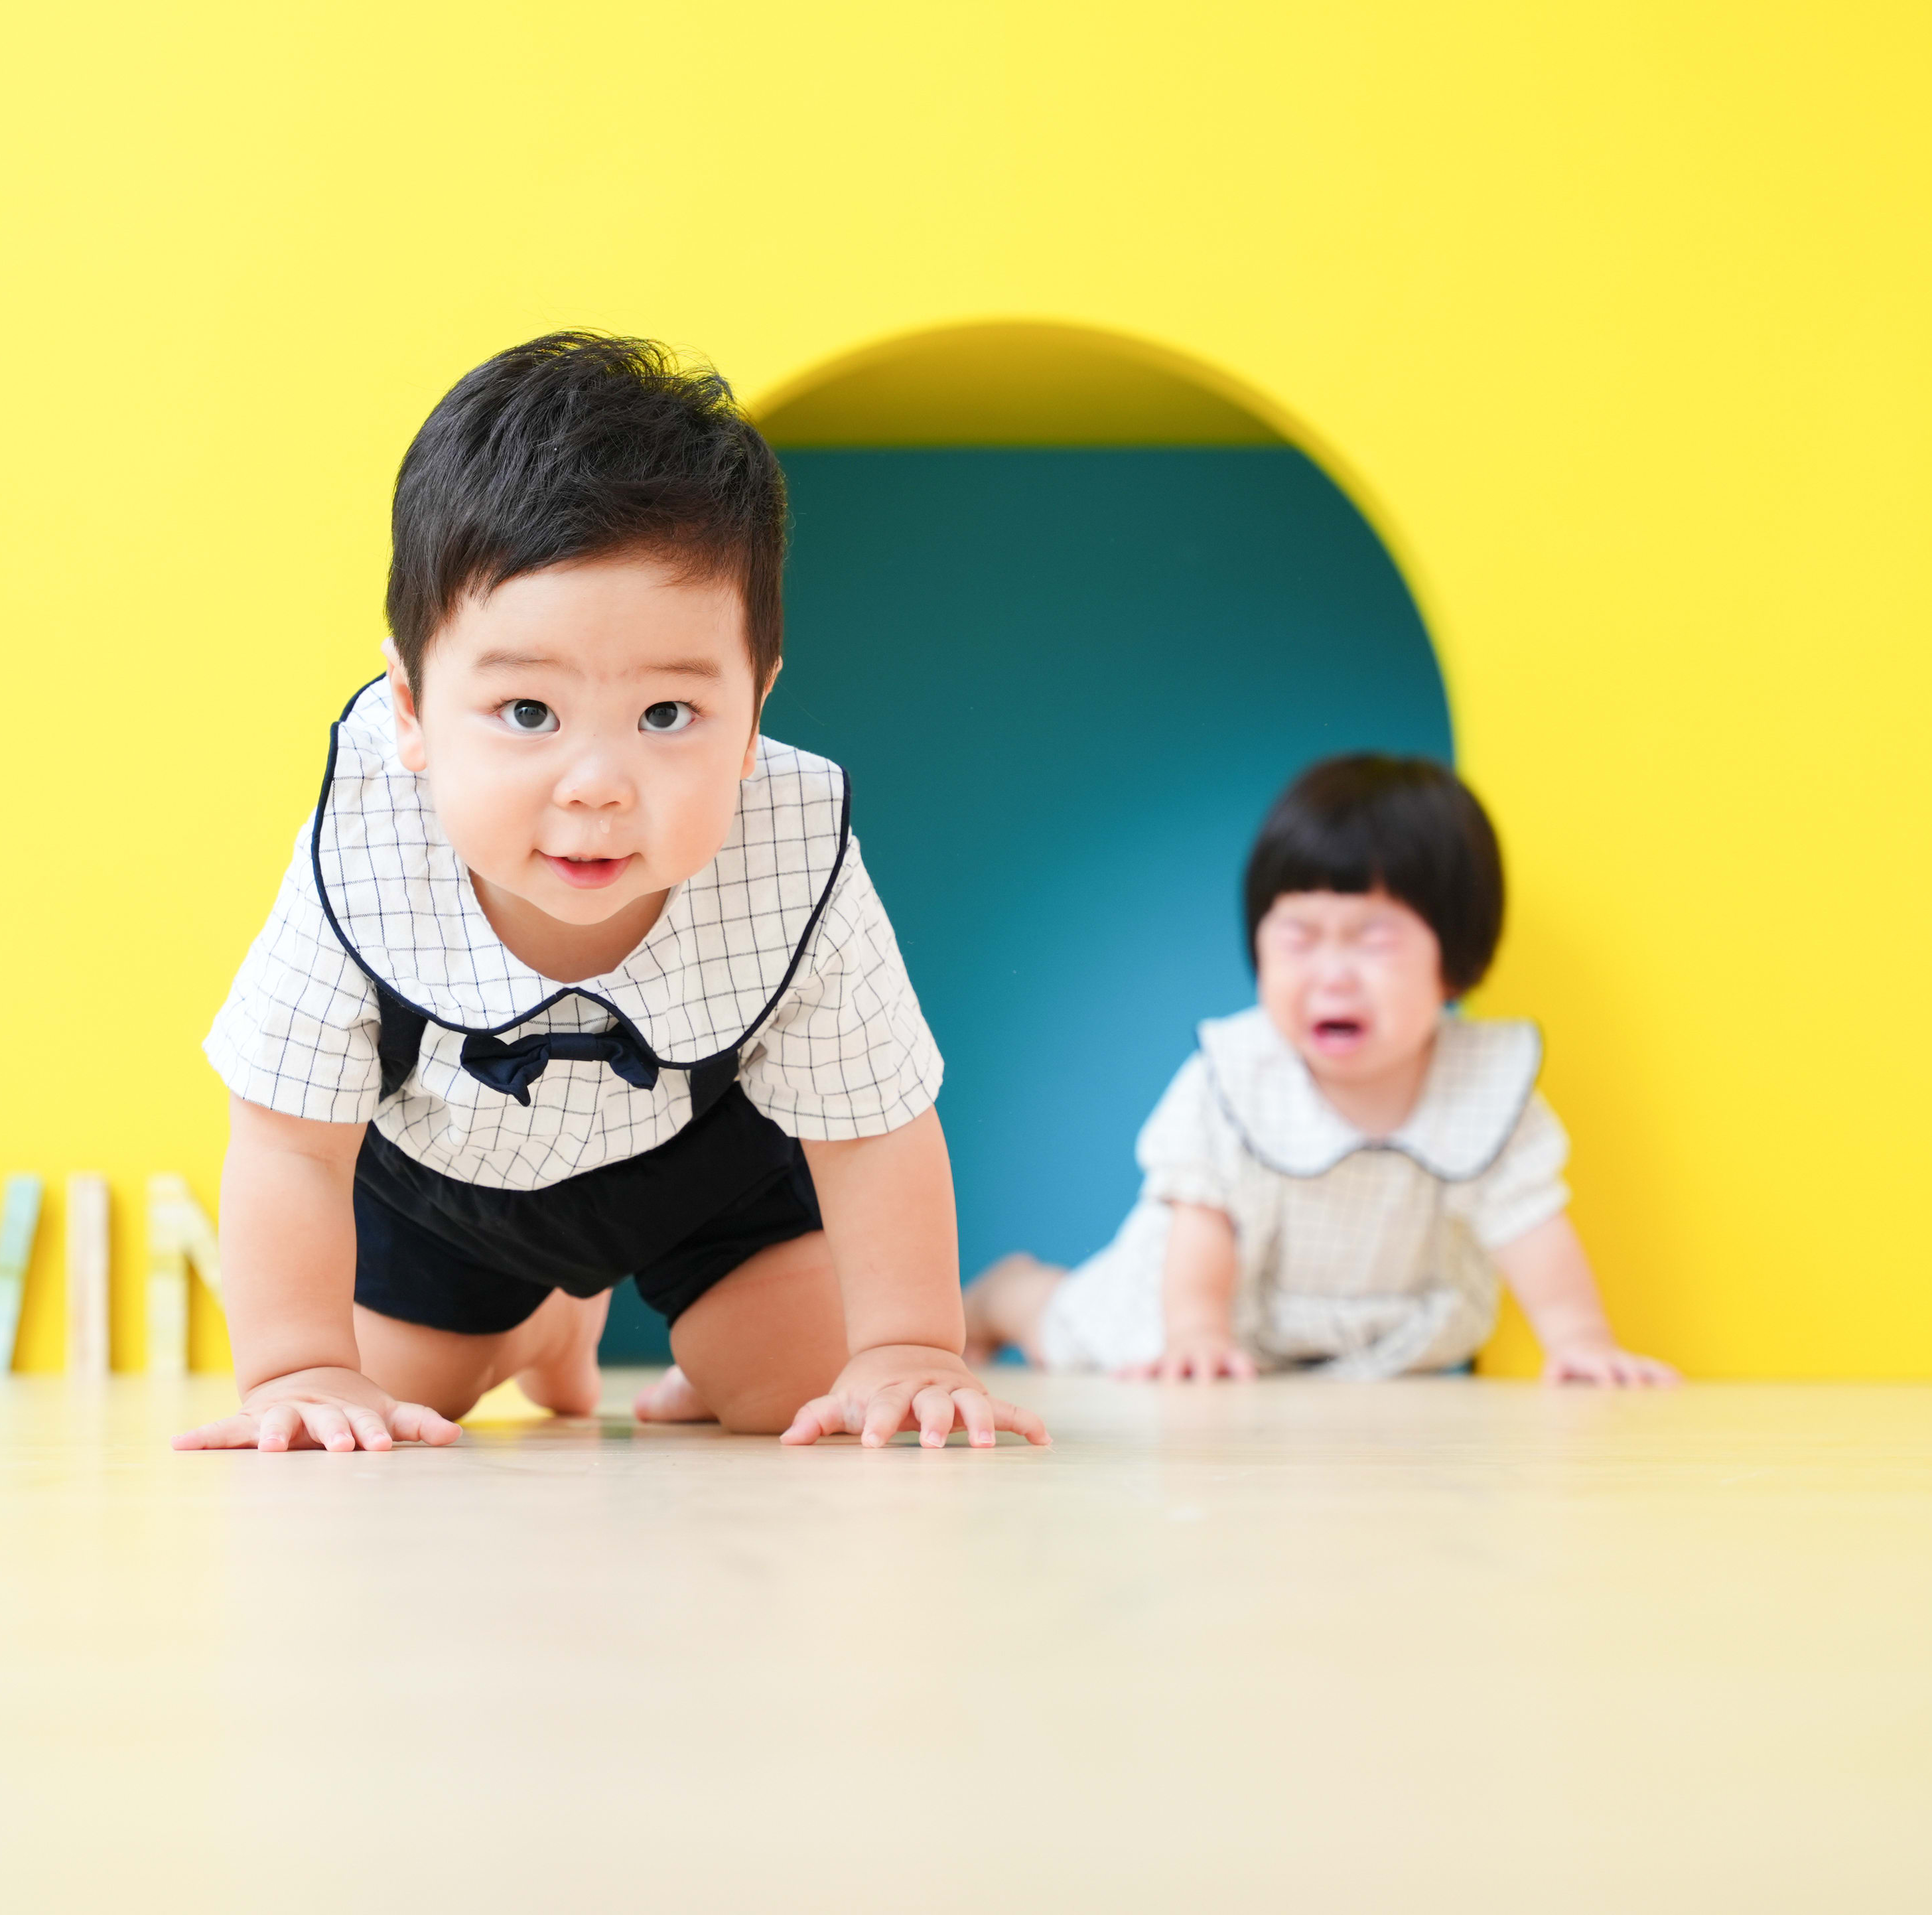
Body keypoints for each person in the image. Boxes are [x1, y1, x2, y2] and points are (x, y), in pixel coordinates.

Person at [176, 333, 1046, 1454]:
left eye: (666, 717)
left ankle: (714, 1360)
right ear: (409, 708)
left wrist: (911, 1347)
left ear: (753, 706)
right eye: (527, 714)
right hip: (448, 1175)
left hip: (707, 1161)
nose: (595, 788)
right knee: (395, 1394)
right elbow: (289, 1143)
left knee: (810, 1391)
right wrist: (295, 1367)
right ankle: (535, 1330)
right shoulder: (365, 852)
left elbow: (875, 1127)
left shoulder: (791, 852)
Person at [965, 755, 1677, 1385]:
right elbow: (1202, 1220)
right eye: (1300, 939)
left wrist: (1580, 1341)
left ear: (1455, 962)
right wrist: (1195, 1331)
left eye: (1374, 941)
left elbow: (1530, 1220)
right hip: (1207, 1295)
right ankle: (1010, 1294)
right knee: (1073, 1332)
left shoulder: (1482, 1087)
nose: (1332, 976)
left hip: (1366, 1328)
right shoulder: (1239, 1078)